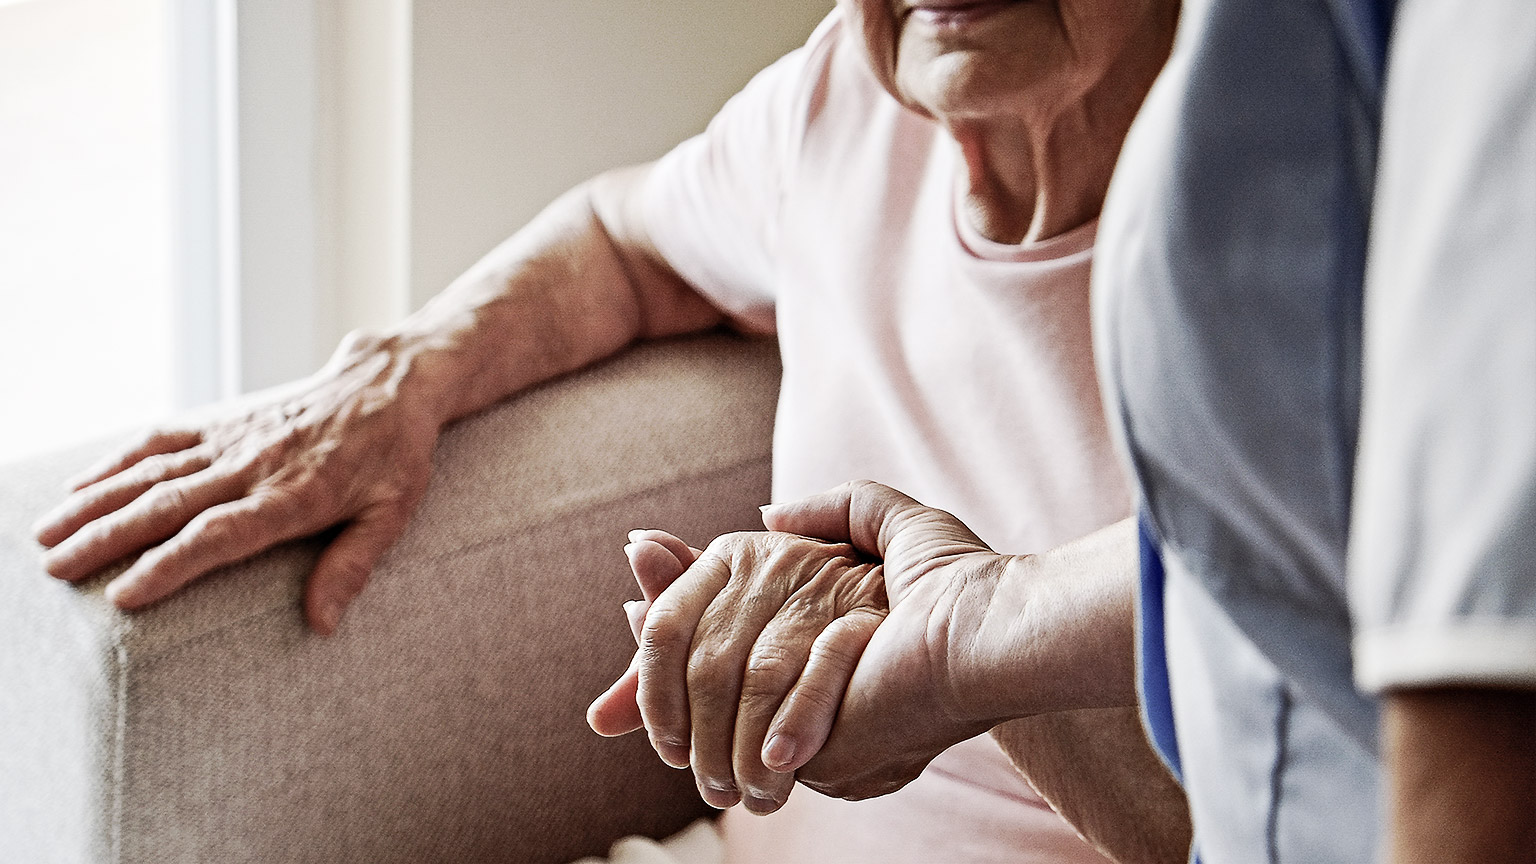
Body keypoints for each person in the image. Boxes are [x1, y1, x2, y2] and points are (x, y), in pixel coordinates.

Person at [31, 1, 1190, 862]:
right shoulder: (841, 98)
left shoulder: (1277, 236)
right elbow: (626, 242)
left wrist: (955, 647)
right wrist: (404, 371)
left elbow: (1268, 813)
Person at [614, 0, 1535, 860]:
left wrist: (978, 636)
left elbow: (1298, 771)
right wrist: (457, 377)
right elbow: (623, 237)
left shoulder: (1315, 181)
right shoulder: (835, 108)